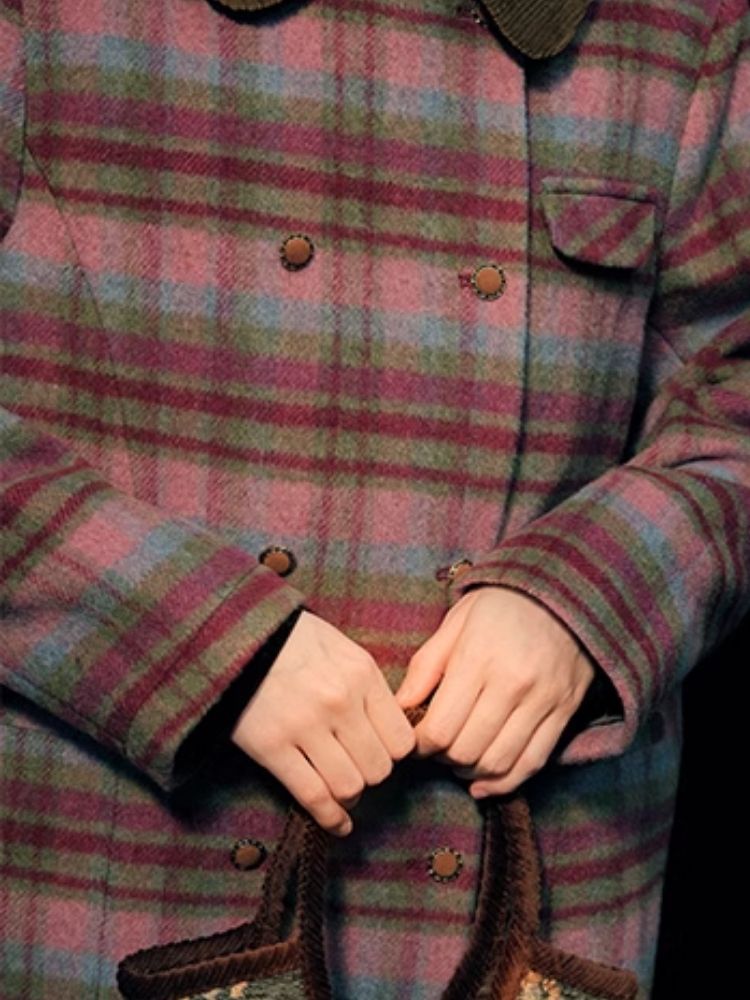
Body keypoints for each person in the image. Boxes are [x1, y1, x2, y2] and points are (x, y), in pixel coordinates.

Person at [1, 0, 747, 997]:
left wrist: (589, 597)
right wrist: (204, 642)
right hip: (121, 849)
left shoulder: (681, 21)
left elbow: (733, 392)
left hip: (529, 878)